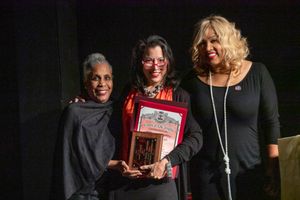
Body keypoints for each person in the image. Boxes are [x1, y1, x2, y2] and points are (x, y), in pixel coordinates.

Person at [181, 15, 281, 200]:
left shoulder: (257, 73)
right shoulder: (191, 81)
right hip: (205, 178)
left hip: (249, 174)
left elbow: (271, 123)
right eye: (202, 43)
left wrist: (273, 169)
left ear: (228, 40)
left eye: (214, 41)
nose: (208, 48)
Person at [107, 35, 203, 200]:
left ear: (168, 62)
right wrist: (84, 100)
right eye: (149, 60)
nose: (155, 66)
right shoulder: (128, 92)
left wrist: (167, 162)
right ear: (140, 63)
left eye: (161, 60)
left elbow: (196, 137)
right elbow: (111, 125)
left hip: (161, 185)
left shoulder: (178, 96)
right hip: (127, 183)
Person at [50, 53, 129, 200]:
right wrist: (112, 164)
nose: (102, 84)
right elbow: (74, 157)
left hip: (112, 190)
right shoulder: (74, 112)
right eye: (95, 78)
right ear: (86, 83)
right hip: (82, 192)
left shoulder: (118, 110)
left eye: (107, 78)